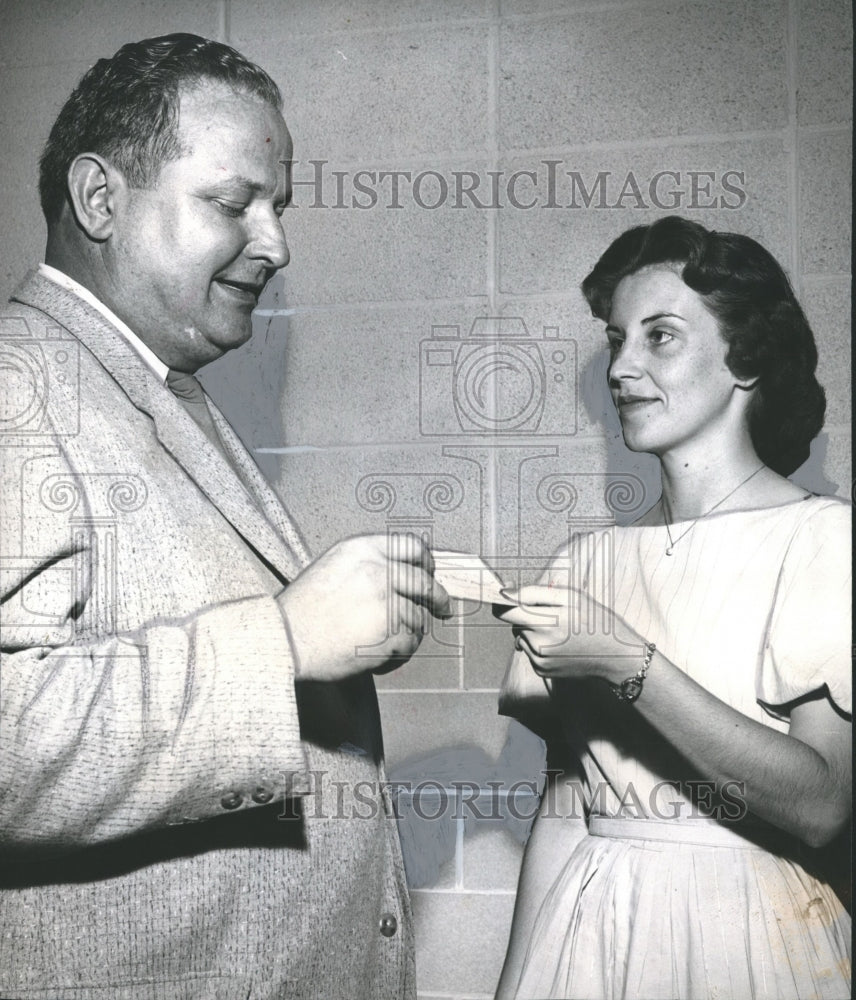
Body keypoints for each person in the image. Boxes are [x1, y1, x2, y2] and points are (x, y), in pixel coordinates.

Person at [0, 33, 451, 999]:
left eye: (277, 208)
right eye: (233, 202)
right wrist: (283, 639)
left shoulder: (157, 388)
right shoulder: (17, 382)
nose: (278, 245)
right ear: (98, 199)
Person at [493, 216, 851, 999]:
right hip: (589, 935)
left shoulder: (824, 542)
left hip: (754, 937)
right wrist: (516, 984)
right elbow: (565, 809)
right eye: (617, 339)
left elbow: (824, 806)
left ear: (745, 359)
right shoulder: (582, 564)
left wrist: (625, 661)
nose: (622, 367)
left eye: (660, 337)